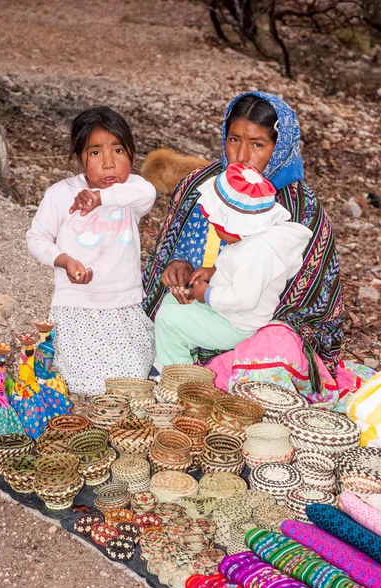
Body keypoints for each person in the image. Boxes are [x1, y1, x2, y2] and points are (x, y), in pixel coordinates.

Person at [143, 92, 345, 399]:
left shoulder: (303, 209)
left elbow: (309, 302)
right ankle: (184, 370)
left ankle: (195, 379)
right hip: (206, 306)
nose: (241, 156)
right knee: (165, 311)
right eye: (234, 139)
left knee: (274, 352)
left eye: (258, 144)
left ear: (280, 147)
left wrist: (217, 295)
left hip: (255, 323)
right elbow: (176, 245)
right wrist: (179, 263)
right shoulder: (201, 185)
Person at [27, 106, 156, 395]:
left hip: (123, 305)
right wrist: (65, 260)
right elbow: (37, 237)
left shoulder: (131, 192)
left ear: (132, 155)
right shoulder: (60, 194)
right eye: (95, 153)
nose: (109, 163)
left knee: (131, 379)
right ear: (79, 157)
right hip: (77, 305)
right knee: (78, 382)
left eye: (118, 151)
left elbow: (148, 192)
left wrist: (100, 198)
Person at [154, 163, 312, 366]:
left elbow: (243, 298)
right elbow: (242, 274)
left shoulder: (253, 252)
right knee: (172, 302)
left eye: (216, 226)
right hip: (230, 312)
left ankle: (175, 378)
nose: (214, 228)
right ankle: (176, 357)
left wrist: (207, 295)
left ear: (232, 225)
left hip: (236, 324)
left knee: (168, 319)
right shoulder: (255, 238)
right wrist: (214, 272)